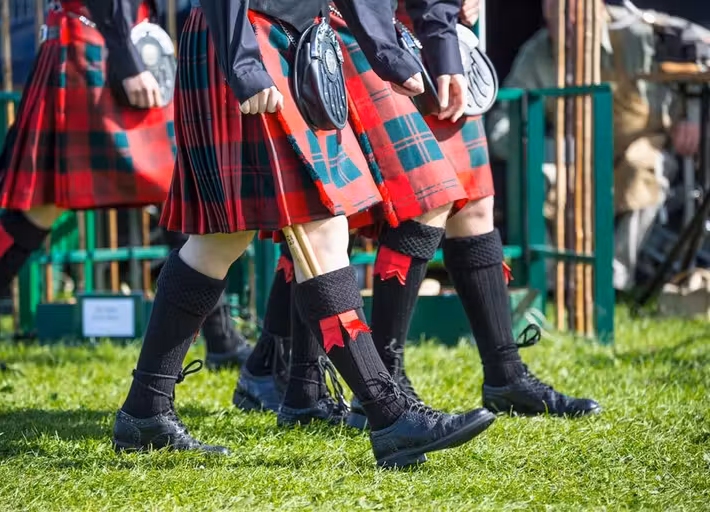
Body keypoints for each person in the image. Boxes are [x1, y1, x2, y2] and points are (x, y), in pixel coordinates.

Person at [111, 0, 496, 468]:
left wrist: (386, 52)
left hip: (290, 39)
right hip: (247, 35)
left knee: (223, 240)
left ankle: (145, 409)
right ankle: (388, 414)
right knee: (320, 229)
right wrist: (242, 59)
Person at [235, 0, 602, 426]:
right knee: (357, 210)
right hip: (368, 27)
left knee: (472, 203)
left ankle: (504, 372)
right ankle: (348, 382)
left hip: (426, 28)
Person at [0, 0, 250, 370]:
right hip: (97, 43)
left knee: (173, 188)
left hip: (107, 39)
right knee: (46, 204)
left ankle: (221, 338)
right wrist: (127, 58)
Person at [487, 0, 702, 292]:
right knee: (538, 177)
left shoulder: (636, 33)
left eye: (571, 16)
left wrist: (691, 116)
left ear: (596, 9)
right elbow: (502, 123)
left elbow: (694, 64)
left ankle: (613, 282)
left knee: (643, 171)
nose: (563, 27)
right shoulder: (538, 53)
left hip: (641, 143)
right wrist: (540, 147)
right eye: (553, 18)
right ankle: (553, 283)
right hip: (574, 156)